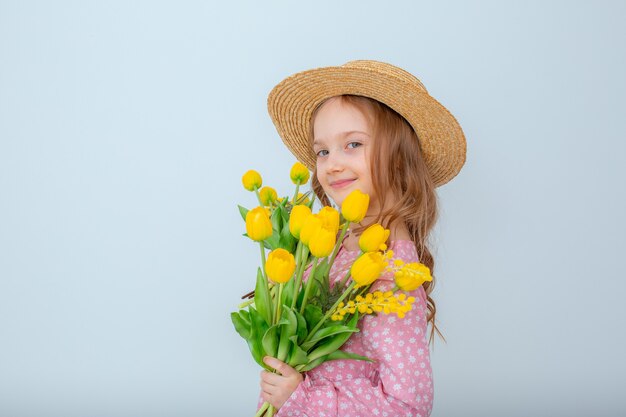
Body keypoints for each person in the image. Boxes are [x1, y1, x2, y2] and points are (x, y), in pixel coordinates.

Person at [257, 60, 467, 416]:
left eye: (352, 144)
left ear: (399, 161)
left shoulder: (393, 274)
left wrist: (300, 397)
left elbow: (406, 408)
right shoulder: (330, 243)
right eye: (322, 151)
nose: (331, 163)